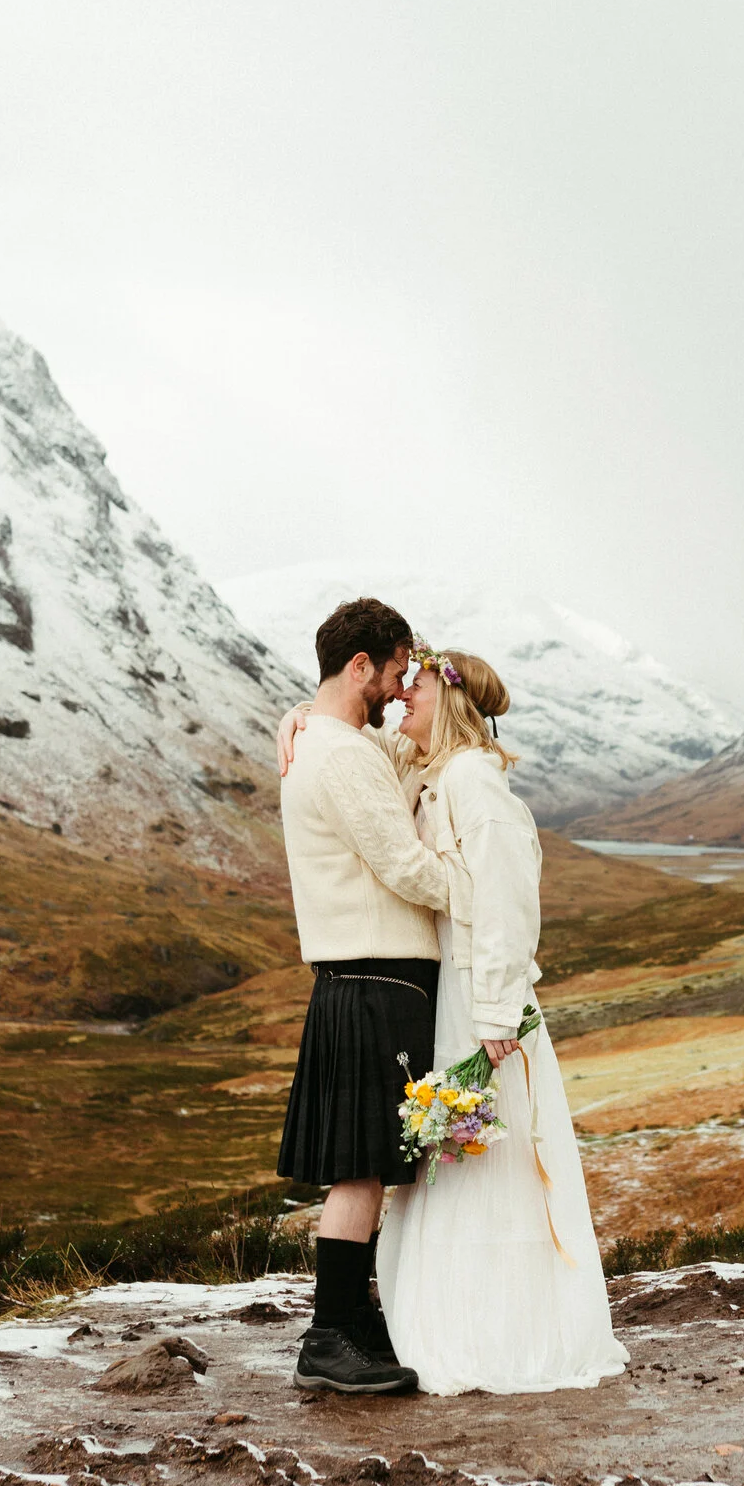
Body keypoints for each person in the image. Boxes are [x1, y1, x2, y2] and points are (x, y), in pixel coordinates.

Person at [279, 642, 628, 1396]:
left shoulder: (472, 779)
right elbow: (350, 734)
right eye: (397, 681)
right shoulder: (436, 773)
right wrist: (303, 715)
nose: (404, 695)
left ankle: (499, 1334)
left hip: (483, 1003)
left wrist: (500, 1011)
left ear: (453, 698)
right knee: (445, 1168)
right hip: (452, 999)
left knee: (485, 1164)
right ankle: (427, 1323)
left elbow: (505, 898)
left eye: (419, 686)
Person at [273, 597, 462, 1395]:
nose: (395, 689)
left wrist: (298, 712)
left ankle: (353, 1322)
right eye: (390, 673)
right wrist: (478, 889)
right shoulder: (342, 757)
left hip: (365, 980)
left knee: (372, 1167)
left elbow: (399, 748)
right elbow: (402, 862)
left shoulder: (332, 742)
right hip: (372, 980)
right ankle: (328, 1336)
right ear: (359, 667)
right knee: (359, 1170)